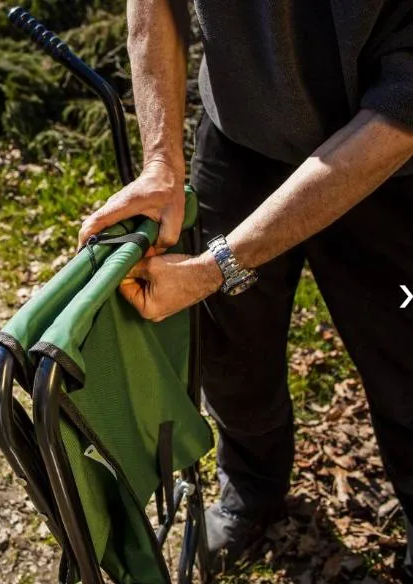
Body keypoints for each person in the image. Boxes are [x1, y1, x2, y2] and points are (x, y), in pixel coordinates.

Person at [78, 0, 413, 576]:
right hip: (240, 139)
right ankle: (252, 489)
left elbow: (405, 109)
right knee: (232, 355)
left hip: (391, 163)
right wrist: (161, 160)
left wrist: (214, 267)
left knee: (407, 362)